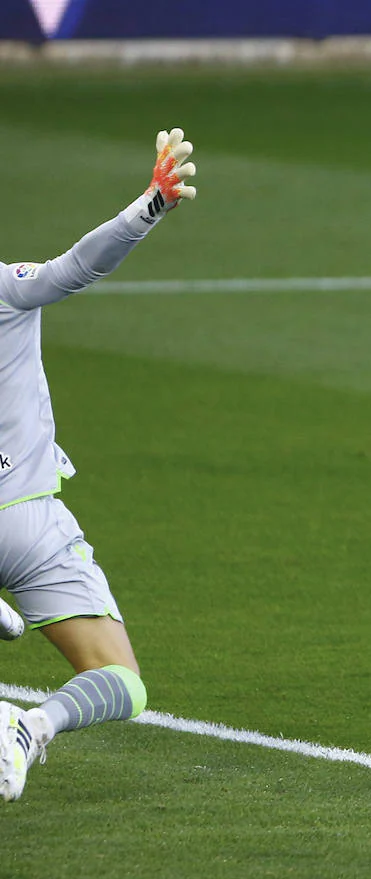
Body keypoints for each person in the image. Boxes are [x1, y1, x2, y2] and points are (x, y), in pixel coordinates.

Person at [0, 128, 198, 802]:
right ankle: (33, 726)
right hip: (30, 522)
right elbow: (75, 267)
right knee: (124, 681)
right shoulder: (4, 291)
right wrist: (150, 205)